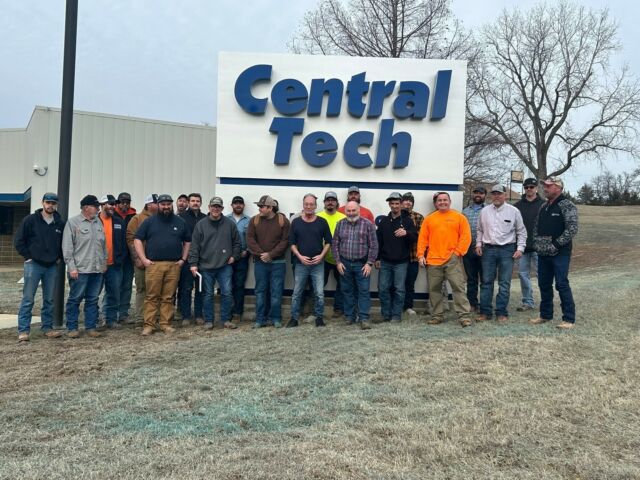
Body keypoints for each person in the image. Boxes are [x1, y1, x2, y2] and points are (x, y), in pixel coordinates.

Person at [134, 194, 191, 336]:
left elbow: (188, 241)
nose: (166, 207)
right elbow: (137, 240)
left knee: (168, 297)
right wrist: (144, 259)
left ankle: (166, 324)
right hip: (154, 265)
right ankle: (149, 325)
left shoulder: (180, 222)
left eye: (168, 204)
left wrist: (183, 259)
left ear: (172, 205)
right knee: (152, 296)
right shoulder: (149, 222)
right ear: (158, 205)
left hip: (174, 265)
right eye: (163, 204)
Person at [13, 192, 65, 341]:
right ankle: (23, 331)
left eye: (53, 203)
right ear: (43, 203)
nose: (50, 205)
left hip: (51, 267)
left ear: (56, 205)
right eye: (48, 202)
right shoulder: (30, 220)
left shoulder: (60, 223)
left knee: (49, 299)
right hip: (33, 265)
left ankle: (47, 328)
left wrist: (59, 258)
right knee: (28, 299)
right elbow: (18, 240)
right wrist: (28, 257)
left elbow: (63, 243)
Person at [417, 192, 473, 326]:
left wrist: (457, 253)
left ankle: (464, 316)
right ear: (436, 203)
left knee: (458, 288)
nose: (442, 202)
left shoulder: (459, 217)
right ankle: (437, 315)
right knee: (434, 290)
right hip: (433, 260)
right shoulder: (429, 219)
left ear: (450, 201)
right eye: (439, 200)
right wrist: (420, 255)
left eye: (445, 200)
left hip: (452, 260)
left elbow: (466, 237)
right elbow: (423, 239)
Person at [531, 176, 578, 329]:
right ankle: (545, 315)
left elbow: (572, 229)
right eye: (545, 186)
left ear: (558, 187)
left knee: (561, 284)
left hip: (560, 253)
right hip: (543, 253)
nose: (545, 188)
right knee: (544, 284)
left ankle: (569, 319)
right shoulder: (544, 206)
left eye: (549, 186)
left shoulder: (567, 205)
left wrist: (556, 245)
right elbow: (536, 227)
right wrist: (537, 244)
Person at [188, 196, 241, 330]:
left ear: (222, 208)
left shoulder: (230, 224)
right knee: (207, 294)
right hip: (206, 266)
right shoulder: (201, 225)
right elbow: (194, 246)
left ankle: (225, 320)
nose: (215, 209)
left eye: (218, 207)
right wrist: (193, 263)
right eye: (213, 206)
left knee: (227, 293)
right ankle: (209, 320)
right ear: (209, 208)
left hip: (225, 266)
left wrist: (234, 256)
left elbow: (237, 243)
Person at [475, 185, 527, 322]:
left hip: (507, 250)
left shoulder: (514, 211)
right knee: (486, 282)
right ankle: (485, 312)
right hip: (488, 250)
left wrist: (520, 248)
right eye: (494, 194)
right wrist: (479, 244)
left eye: (499, 194)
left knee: (504, 283)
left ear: (505, 195)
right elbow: (479, 230)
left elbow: (521, 231)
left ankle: (501, 312)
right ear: (490, 196)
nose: (497, 196)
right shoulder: (484, 211)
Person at [62, 195, 107, 338]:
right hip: (80, 269)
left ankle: (91, 327)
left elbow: (103, 245)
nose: (98, 209)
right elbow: (68, 247)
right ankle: (72, 327)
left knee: (93, 299)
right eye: (96, 206)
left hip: (96, 269)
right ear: (86, 207)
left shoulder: (98, 222)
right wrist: (72, 267)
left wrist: (104, 262)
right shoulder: (73, 223)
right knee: (75, 298)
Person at [287, 194, 332, 328]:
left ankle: (319, 318)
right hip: (301, 264)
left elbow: (329, 242)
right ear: (303, 205)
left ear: (315, 206)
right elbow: (292, 243)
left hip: (318, 264)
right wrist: (300, 256)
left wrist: (321, 256)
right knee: (297, 293)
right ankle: (294, 318)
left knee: (319, 293)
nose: (309, 206)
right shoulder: (296, 222)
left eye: (311, 204)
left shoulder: (322, 222)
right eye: (306, 204)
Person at [332, 201, 378, 329]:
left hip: (362, 264)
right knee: (347, 291)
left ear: (359, 210)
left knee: (363, 291)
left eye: (354, 210)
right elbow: (335, 244)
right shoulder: (340, 224)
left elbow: (374, 246)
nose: (351, 213)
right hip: (344, 264)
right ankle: (349, 316)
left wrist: (369, 263)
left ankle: (364, 318)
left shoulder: (368, 224)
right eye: (349, 211)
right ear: (345, 211)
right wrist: (338, 262)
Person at [246, 195, 290, 328]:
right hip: (260, 263)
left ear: (270, 208)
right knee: (260, 291)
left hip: (278, 263)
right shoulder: (254, 220)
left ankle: (275, 318)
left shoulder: (283, 221)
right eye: (259, 206)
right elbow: (250, 239)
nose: (259, 208)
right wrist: (262, 255)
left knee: (276, 291)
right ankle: (260, 319)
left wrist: (271, 254)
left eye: (262, 206)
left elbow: (285, 241)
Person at [375, 192, 417, 322]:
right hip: (385, 262)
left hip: (401, 262)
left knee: (399, 289)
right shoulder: (384, 222)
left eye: (397, 203)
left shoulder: (408, 221)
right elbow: (378, 241)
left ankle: (396, 315)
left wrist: (406, 233)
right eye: (392, 203)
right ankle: (386, 314)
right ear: (389, 204)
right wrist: (377, 258)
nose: (394, 206)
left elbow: (415, 238)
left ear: (401, 204)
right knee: (383, 289)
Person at [126, 194, 158, 324]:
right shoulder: (137, 219)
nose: (159, 205)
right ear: (149, 205)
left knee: (156, 290)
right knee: (142, 289)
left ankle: (155, 316)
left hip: (157, 261)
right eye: (156, 203)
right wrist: (137, 258)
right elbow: (130, 239)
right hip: (142, 260)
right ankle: (140, 317)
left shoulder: (161, 218)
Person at [514, 178, 544, 312]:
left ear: (537, 188)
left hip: (539, 248)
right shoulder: (517, 206)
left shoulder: (544, 204)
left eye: (532, 187)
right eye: (526, 187)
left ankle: (546, 301)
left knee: (542, 276)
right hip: (522, 248)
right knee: (523, 275)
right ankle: (527, 301)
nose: (529, 189)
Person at [98, 194, 127, 329]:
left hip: (114, 264)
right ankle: (94, 320)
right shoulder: (94, 220)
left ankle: (110, 319)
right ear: (102, 205)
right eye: (109, 204)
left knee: (114, 293)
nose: (112, 207)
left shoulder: (119, 221)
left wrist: (120, 258)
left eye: (114, 204)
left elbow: (123, 242)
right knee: (93, 294)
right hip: (96, 265)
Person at [178, 193, 206, 326]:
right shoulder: (181, 218)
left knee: (200, 288)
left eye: (198, 201)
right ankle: (186, 316)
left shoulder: (205, 218)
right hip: (186, 259)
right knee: (186, 288)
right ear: (188, 202)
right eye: (193, 201)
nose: (195, 203)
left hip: (203, 260)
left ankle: (199, 315)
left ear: (201, 203)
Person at [317, 191, 346, 318]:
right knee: (318, 284)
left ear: (336, 203)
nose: (330, 202)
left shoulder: (343, 217)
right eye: (327, 200)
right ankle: (317, 309)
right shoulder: (318, 216)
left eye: (332, 200)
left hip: (339, 258)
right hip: (322, 257)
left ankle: (338, 308)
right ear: (324, 203)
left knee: (342, 285)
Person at [462, 186, 486, 312]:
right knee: (471, 279)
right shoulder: (465, 211)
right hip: (469, 249)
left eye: (481, 193)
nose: (478, 195)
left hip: (485, 249)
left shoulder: (489, 210)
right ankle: (472, 303)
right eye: (476, 193)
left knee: (485, 278)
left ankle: (485, 303)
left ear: (485, 195)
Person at [226, 195, 250, 322]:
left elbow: (251, 239)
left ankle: (237, 313)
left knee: (239, 285)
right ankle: (227, 312)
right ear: (232, 205)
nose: (238, 205)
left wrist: (247, 251)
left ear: (243, 205)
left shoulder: (249, 220)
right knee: (227, 285)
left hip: (242, 257)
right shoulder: (225, 219)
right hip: (227, 258)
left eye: (240, 203)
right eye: (236, 203)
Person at [114, 192, 137, 323]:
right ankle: (110, 313)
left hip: (129, 257)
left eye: (127, 202)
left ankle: (123, 313)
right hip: (115, 257)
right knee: (113, 285)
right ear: (118, 203)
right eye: (122, 202)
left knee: (127, 285)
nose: (125, 204)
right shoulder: (112, 215)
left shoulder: (134, 216)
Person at [401, 192, 424, 316]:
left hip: (413, 256)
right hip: (398, 257)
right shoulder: (395, 216)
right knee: (397, 283)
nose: (408, 202)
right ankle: (397, 305)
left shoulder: (418, 217)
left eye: (410, 201)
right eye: (405, 200)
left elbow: (421, 236)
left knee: (410, 283)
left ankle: (408, 306)